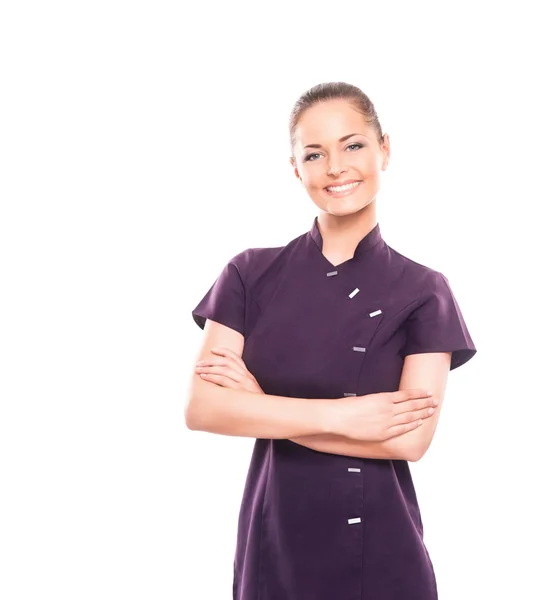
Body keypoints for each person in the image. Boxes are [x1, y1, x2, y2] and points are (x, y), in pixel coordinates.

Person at [187, 81, 477, 600]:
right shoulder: (249, 273)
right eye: (315, 154)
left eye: (354, 145)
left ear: (384, 149)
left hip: (383, 551)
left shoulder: (424, 289)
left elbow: (409, 441)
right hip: (273, 543)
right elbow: (204, 408)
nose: (336, 167)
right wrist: (343, 417)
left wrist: (257, 405)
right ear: (296, 169)